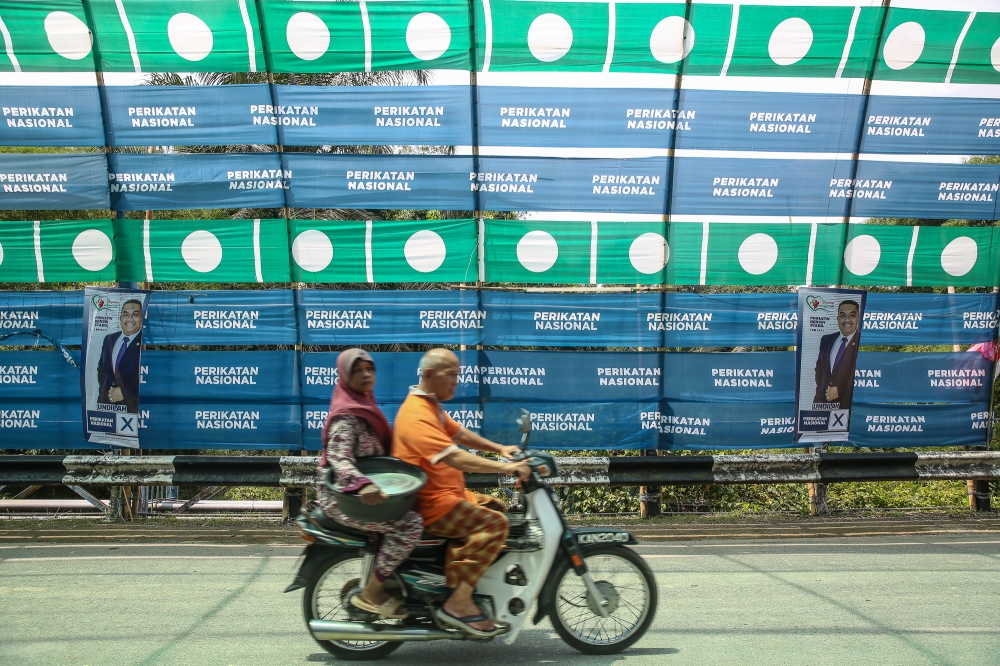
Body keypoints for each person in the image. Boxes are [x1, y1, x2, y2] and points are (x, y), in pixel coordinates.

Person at [393, 348, 531, 638]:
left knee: (497, 508)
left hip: (450, 495)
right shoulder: (417, 415)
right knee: (495, 526)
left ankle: (469, 582)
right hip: (435, 505)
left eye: (458, 374)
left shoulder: (431, 406)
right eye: (451, 374)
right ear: (429, 375)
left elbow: (459, 433)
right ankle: (458, 601)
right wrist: (504, 468)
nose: (457, 380)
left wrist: (499, 448)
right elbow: (454, 457)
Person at [316, 349, 422, 620]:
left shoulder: (364, 404)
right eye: (358, 370)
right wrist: (361, 484)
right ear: (345, 376)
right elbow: (339, 458)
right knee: (410, 525)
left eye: (369, 369)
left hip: (367, 494)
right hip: (344, 498)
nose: (365, 375)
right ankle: (373, 591)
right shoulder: (346, 415)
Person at [97, 298, 143, 412]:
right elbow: (102, 371)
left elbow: (151, 379)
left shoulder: (145, 342)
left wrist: (125, 393)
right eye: (125, 314)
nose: (130, 319)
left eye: (135, 315)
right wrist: (104, 394)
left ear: (142, 318)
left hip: (132, 411)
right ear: (120, 318)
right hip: (107, 408)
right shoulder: (109, 339)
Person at [813, 299, 861, 409]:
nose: (847, 320)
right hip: (821, 406)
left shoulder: (862, 342)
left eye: (852, 315)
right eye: (843, 315)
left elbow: (864, 378)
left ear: (858, 318)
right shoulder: (826, 340)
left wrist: (840, 391)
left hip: (847, 409)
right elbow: (819, 370)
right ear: (837, 319)